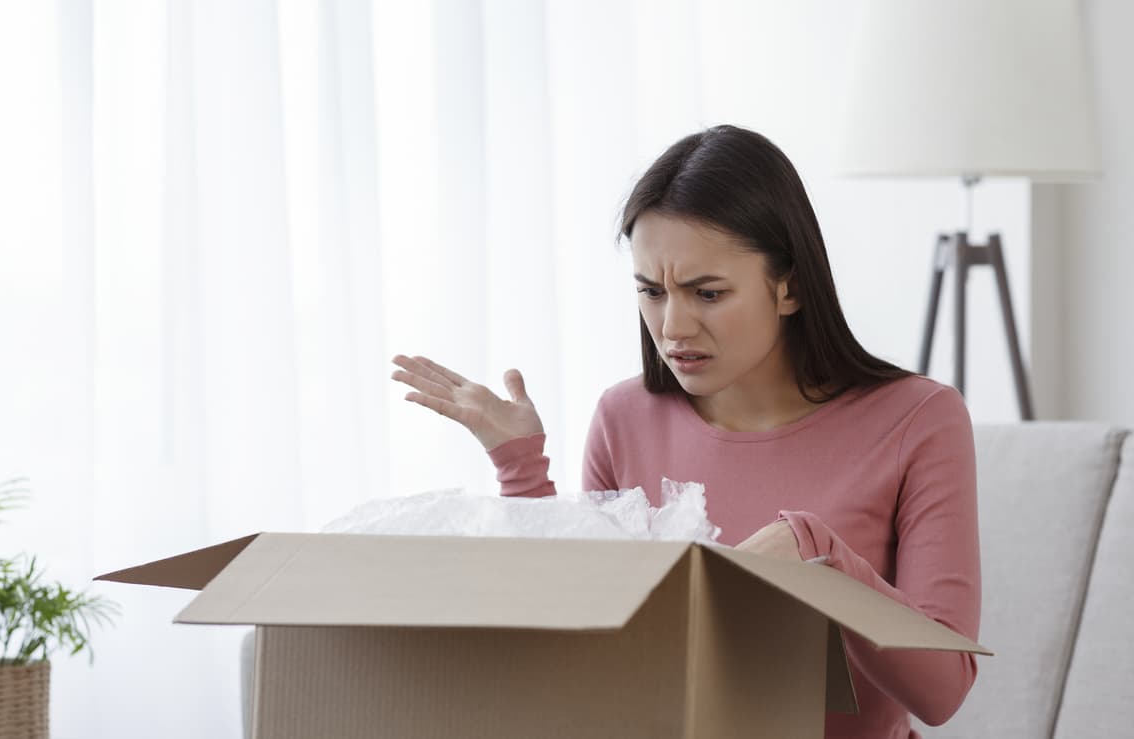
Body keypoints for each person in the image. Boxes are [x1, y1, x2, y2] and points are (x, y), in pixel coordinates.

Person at [390, 124, 980, 739]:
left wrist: (820, 554)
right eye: (651, 291)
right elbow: (586, 638)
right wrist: (520, 468)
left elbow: (943, 691)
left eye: (708, 293)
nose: (672, 328)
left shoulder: (918, 420)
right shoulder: (624, 418)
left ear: (791, 287)